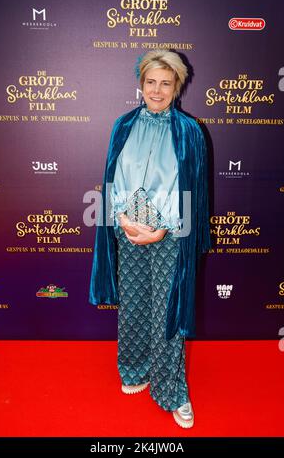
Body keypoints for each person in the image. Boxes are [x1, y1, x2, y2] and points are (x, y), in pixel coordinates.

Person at [89, 49, 211, 429]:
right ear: (140, 83)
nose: (157, 90)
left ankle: (172, 391)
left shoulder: (190, 131)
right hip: (129, 224)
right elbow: (113, 178)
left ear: (177, 87)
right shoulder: (122, 125)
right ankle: (134, 369)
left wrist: (163, 227)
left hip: (170, 229)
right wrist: (122, 219)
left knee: (167, 312)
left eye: (166, 83)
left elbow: (194, 190)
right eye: (150, 82)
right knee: (136, 303)